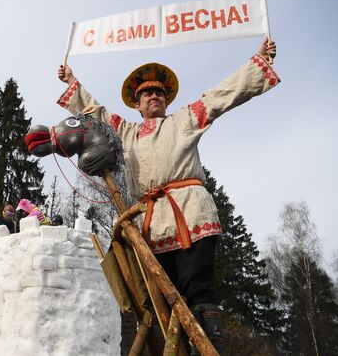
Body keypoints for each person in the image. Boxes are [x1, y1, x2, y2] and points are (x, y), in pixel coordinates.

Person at [57, 37, 278, 354]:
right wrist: (71, 82)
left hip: (191, 212)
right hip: (151, 222)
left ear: (166, 100)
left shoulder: (185, 119)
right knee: (165, 297)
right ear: (137, 103)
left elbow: (222, 95)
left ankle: (208, 348)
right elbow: (97, 114)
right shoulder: (127, 132)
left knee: (197, 287)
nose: (153, 96)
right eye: (146, 93)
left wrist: (258, 62)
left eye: (159, 92)